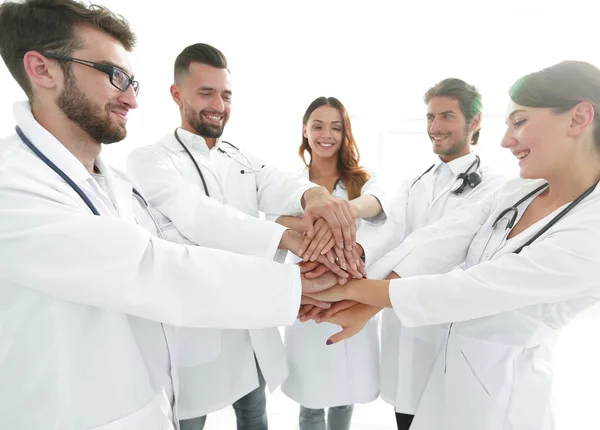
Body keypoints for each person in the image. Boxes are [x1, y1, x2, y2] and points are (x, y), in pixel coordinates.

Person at [0, 2, 340, 429]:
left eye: (131, 80)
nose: (130, 97)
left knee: (253, 411)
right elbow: (154, 261)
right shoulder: (12, 187)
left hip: (166, 381)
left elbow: (266, 187)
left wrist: (311, 198)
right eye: (114, 75)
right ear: (42, 69)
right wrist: (295, 274)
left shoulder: (115, 183)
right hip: (81, 412)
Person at [307, 60, 600, 430]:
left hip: (504, 402)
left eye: (520, 121)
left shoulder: (593, 229)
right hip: (449, 382)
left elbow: (475, 288)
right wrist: (364, 302)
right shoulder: (521, 190)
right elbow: (437, 239)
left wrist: (349, 288)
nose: (506, 140)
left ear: (578, 118)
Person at [126, 45, 364, 430]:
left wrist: (313, 195)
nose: (218, 104)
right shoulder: (150, 159)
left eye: (225, 94)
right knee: (190, 418)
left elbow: (278, 181)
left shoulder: (240, 156)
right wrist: (287, 237)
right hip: (195, 326)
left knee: (254, 416)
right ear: (177, 94)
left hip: (248, 322)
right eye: (206, 93)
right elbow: (197, 215)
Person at [350, 78, 509, 429]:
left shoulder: (496, 186)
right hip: (401, 320)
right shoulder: (417, 180)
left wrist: (362, 294)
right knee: (406, 415)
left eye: (447, 116)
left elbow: (441, 247)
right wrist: (356, 255)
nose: (435, 127)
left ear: (475, 121)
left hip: (448, 325)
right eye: (430, 117)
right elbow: (390, 228)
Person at [271, 96, 389, 430]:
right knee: (311, 396)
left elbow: (381, 224)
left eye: (336, 127)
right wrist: (322, 222)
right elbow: (271, 221)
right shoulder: (287, 183)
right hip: (307, 295)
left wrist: (325, 220)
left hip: (351, 292)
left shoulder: (362, 182)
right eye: (318, 125)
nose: (327, 134)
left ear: (345, 133)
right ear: (305, 130)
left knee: (345, 394)